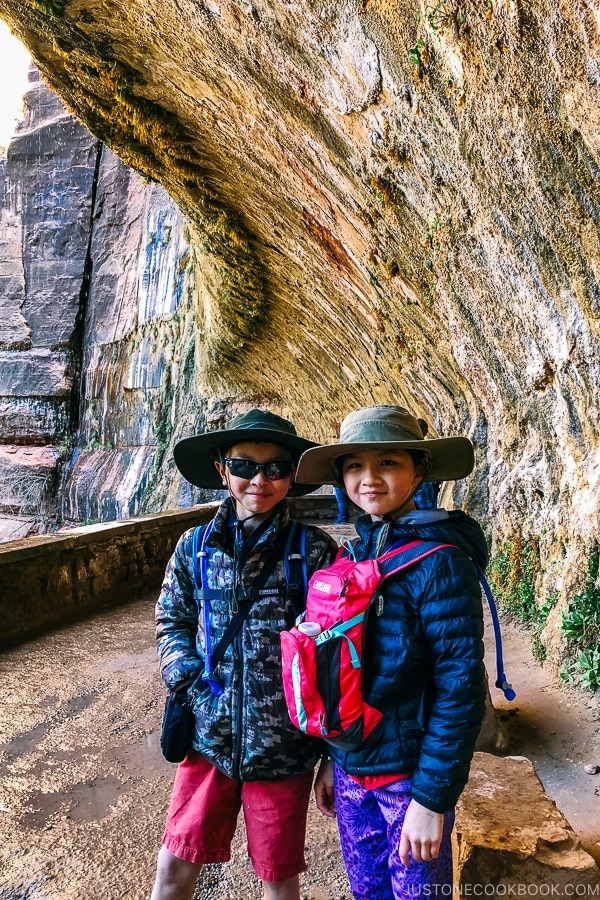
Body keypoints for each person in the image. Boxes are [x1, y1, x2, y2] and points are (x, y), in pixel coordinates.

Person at [294, 405, 487, 900]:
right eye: (355, 466)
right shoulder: (356, 554)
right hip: (354, 769)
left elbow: (458, 686)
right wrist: (331, 761)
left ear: (418, 470)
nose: (369, 479)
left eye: (388, 463)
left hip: (408, 779)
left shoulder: (441, 564)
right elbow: (339, 672)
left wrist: (431, 800)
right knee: (369, 892)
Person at [151, 409, 338, 900]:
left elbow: (338, 661)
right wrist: (191, 684)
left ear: (291, 476)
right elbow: (173, 620)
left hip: (283, 751)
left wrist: (332, 759)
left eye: (276, 468)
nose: (260, 480)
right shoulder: (194, 548)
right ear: (221, 470)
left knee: (279, 881)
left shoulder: (314, 553)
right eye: (244, 466)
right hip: (208, 742)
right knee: (173, 868)